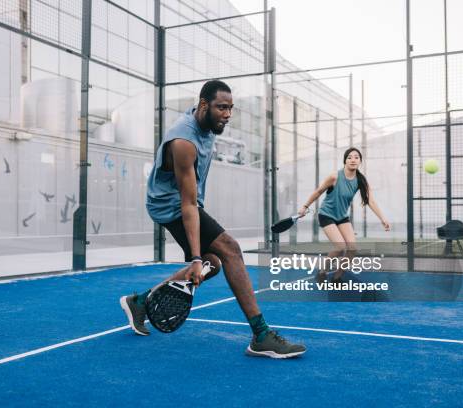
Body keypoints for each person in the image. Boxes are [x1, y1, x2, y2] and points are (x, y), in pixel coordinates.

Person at [120, 80, 306, 359]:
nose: (228, 114)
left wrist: (201, 260)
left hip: (183, 202)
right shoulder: (183, 141)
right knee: (230, 249)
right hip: (169, 205)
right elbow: (188, 203)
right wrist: (194, 258)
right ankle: (261, 335)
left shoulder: (206, 121)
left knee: (214, 264)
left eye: (231, 108)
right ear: (204, 105)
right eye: (222, 107)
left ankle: (140, 302)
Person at [298, 147, 390, 280]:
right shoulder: (334, 176)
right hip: (326, 215)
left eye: (356, 157)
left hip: (342, 217)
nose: (353, 160)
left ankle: (337, 278)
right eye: (349, 157)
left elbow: (371, 201)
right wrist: (305, 206)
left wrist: (382, 218)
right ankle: (322, 273)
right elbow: (318, 191)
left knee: (352, 249)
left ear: (360, 162)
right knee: (340, 246)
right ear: (345, 161)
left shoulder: (360, 180)